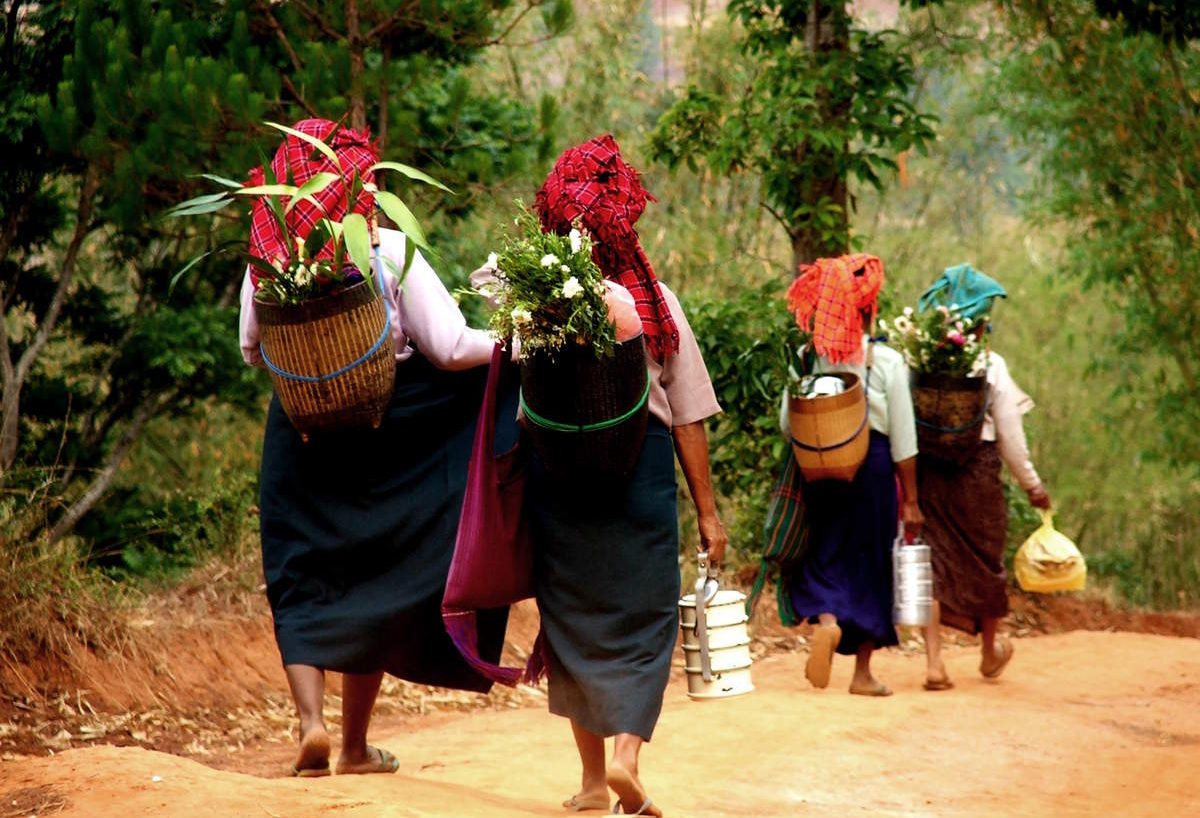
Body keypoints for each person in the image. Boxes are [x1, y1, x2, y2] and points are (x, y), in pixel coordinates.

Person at [239, 119, 507, 777]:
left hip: (300, 433)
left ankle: (312, 725)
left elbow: (250, 348)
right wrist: (513, 345)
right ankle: (355, 746)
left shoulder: (268, 258)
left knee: (298, 572)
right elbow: (447, 348)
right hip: (388, 431)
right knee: (377, 576)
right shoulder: (386, 249)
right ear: (361, 182)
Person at [526, 135, 728, 816]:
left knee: (573, 620)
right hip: (640, 478)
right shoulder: (654, 302)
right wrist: (708, 513)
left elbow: (513, 404)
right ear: (625, 225)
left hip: (559, 482)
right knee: (644, 623)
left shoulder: (536, 308)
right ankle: (626, 759)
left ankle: (589, 783)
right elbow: (691, 415)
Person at [780, 254, 924, 697]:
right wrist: (913, 500)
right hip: (874, 466)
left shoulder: (808, 357)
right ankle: (862, 675)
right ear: (866, 309)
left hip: (821, 466)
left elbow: (787, 422)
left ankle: (827, 621)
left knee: (825, 551)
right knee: (871, 563)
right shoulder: (885, 361)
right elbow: (904, 435)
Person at [916, 264, 1051, 690]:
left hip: (930, 474)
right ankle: (989, 650)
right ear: (981, 323)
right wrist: (1032, 485)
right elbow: (1011, 437)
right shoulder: (991, 365)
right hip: (978, 476)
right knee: (984, 560)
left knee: (932, 563)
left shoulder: (918, 362)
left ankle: (934, 662)